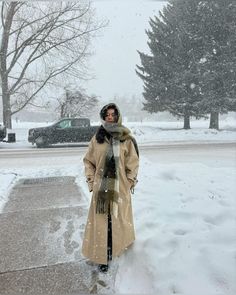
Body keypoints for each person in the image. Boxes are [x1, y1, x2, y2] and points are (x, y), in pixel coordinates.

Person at [82, 103, 139, 272]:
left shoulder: (126, 138)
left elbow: (133, 163)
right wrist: (91, 181)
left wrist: (129, 182)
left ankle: (118, 248)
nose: (110, 117)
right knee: (103, 223)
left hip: (119, 187)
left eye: (113, 114)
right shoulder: (97, 138)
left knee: (117, 221)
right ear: (103, 116)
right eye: (107, 114)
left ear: (118, 116)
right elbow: (88, 161)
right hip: (101, 187)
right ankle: (103, 256)